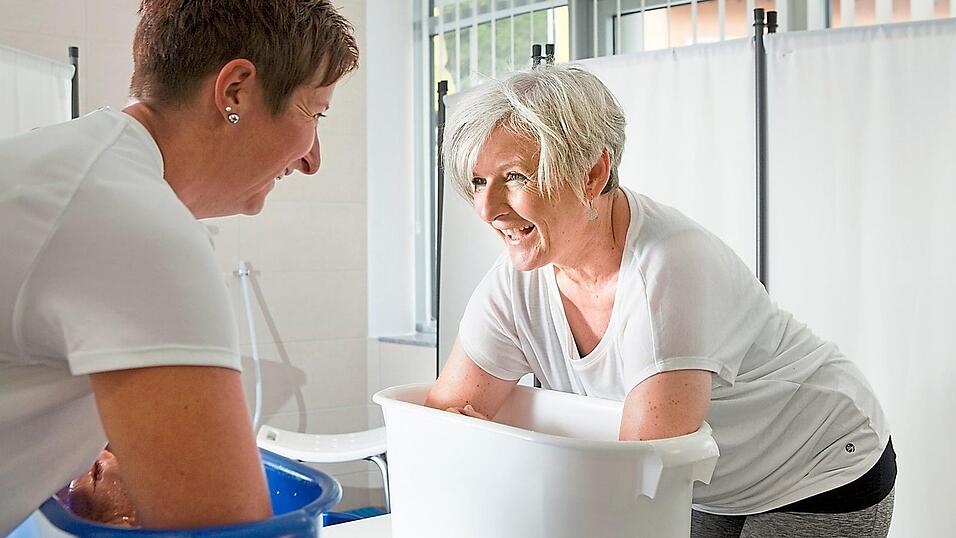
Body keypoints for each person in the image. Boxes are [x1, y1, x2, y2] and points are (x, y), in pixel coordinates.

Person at [426, 65, 896, 537]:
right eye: (479, 182)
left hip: (815, 463)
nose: (487, 209)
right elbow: (442, 422)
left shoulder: (667, 269)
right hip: (707, 481)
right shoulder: (513, 285)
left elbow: (635, 480)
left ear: (592, 174)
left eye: (514, 176)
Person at [0, 0, 358, 533]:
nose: (313, 159)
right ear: (235, 91)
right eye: (315, 113)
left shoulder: (65, 167)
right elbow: (228, 531)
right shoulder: (134, 225)